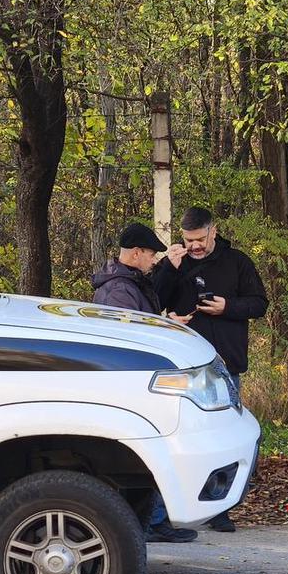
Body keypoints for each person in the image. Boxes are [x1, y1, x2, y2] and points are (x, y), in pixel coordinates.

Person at [155, 206, 268, 532]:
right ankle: (174, 512)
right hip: (182, 368)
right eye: (189, 240)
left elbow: (260, 303)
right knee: (182, 439)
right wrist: (170, 270)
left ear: (213, 231)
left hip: (226, 364)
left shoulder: (238, 262)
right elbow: (154, 302)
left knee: (225, 437)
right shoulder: (175, 262)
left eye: (200, 239)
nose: (195, 246)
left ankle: (221, 509)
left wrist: (227, 307)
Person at [91, 223, 198, 544]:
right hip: (130, 385)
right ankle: (151, 522)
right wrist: (166, 325)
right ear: (136, 253)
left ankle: (151, 520)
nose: (154, 260)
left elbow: (139, 322)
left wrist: (164, 321)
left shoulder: (126, 283)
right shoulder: (119, 290)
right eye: (151, 254)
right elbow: (128, 338)